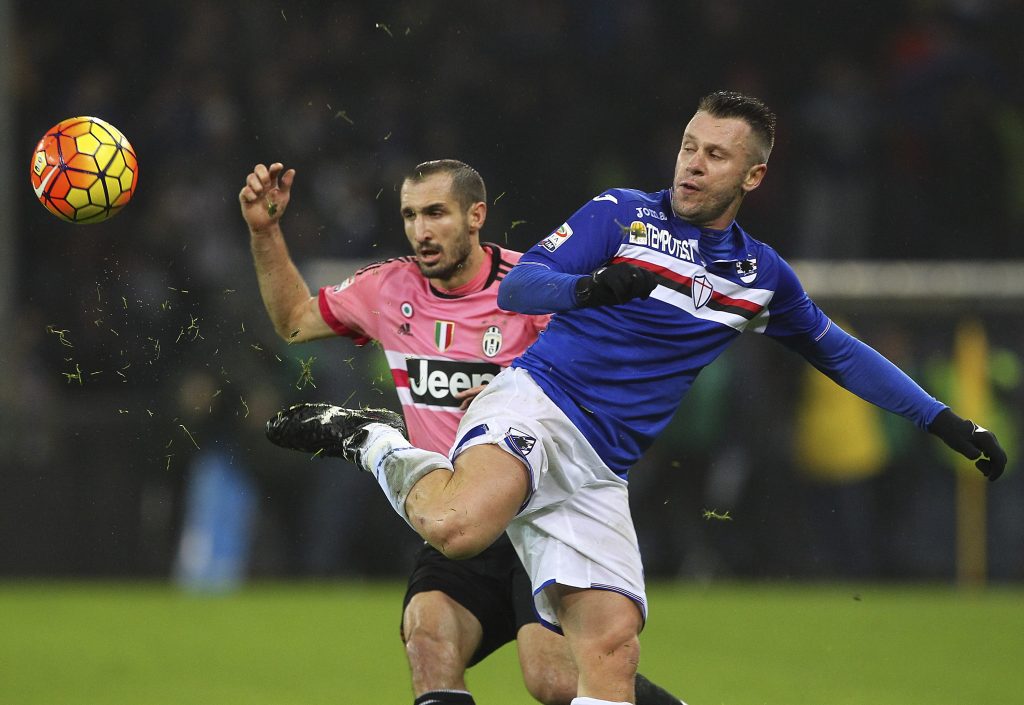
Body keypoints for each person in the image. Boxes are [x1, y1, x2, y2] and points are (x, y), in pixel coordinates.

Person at [266, 92, 1007, 705]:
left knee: (606, 663)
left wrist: (943, 419)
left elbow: (839, 352)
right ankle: (373, 440)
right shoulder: (623, 214)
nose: (693, 162)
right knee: (457, 528)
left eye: (716, 154)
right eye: (689, 144)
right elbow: (523, 285)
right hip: (537, 407)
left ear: (752, 176)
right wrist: (590, 286)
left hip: (598, 469)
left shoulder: (760, 277)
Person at [240, 159, 684, 705]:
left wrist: (516, 392)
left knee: (552, 680)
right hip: (452, 516)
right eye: (409, 215)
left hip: (538, 518)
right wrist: (265, 231)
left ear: (476, 216)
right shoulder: (388, 288)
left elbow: (601, 373)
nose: (421, 231)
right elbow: (293, 320)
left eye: (436, 213)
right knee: (428, 637)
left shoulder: (530, 289)